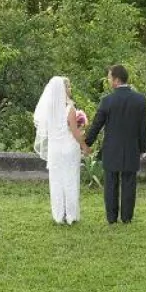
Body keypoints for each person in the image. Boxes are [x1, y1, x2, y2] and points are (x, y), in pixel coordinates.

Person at [84, 64, 146, 225]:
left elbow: (96, 126)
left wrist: (85, 143)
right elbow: (143, 127)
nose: (108, 80)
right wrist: (142, 148)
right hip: (131, 147)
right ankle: (127, 217)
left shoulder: (107, 101)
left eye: (109, 77)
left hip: (111, 148)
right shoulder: (140, 100)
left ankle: (111, 218)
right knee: (129, 183)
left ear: (117, 80)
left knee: (111, 184)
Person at [32, 76, 86, 225]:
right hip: (68, 148)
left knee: (56, 181)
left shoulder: (48, 110)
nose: (70, 89)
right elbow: (74, 132)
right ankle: (71, 215)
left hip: (55, 150)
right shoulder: (70, 109)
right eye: (68, 87)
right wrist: (85, 145)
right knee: (70, 179)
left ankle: (58, 215)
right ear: (62, 90)